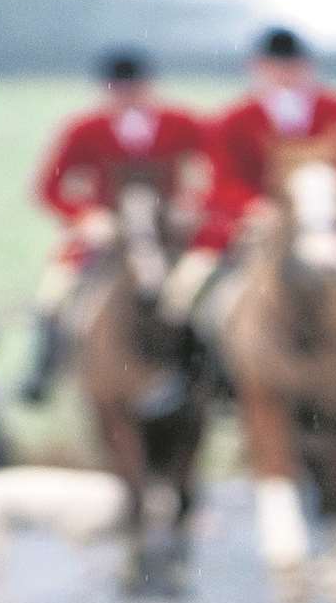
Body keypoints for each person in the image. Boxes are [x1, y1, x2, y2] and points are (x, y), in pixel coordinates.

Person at [158, 27, 336, 413]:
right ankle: (194, 382)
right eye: (275, 67)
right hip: (252, 234)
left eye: (292, 67)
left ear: (308, 68)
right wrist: (255, 209)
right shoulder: (235, 118)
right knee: (182, 293)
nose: (285, 75)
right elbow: (220, 183)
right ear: (258, 69)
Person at [23, 49, 206, 406]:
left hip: (168, 234)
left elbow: (212, 167)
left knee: (201, 290)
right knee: (52, 296)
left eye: (134, 89)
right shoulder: (84, 129)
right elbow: (47, 189)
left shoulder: (181, 123)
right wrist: (85, 217)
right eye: (120, 90)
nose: (127, 97)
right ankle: (41, 375)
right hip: (106, 236)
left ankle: (207, 374)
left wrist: (191, 205)